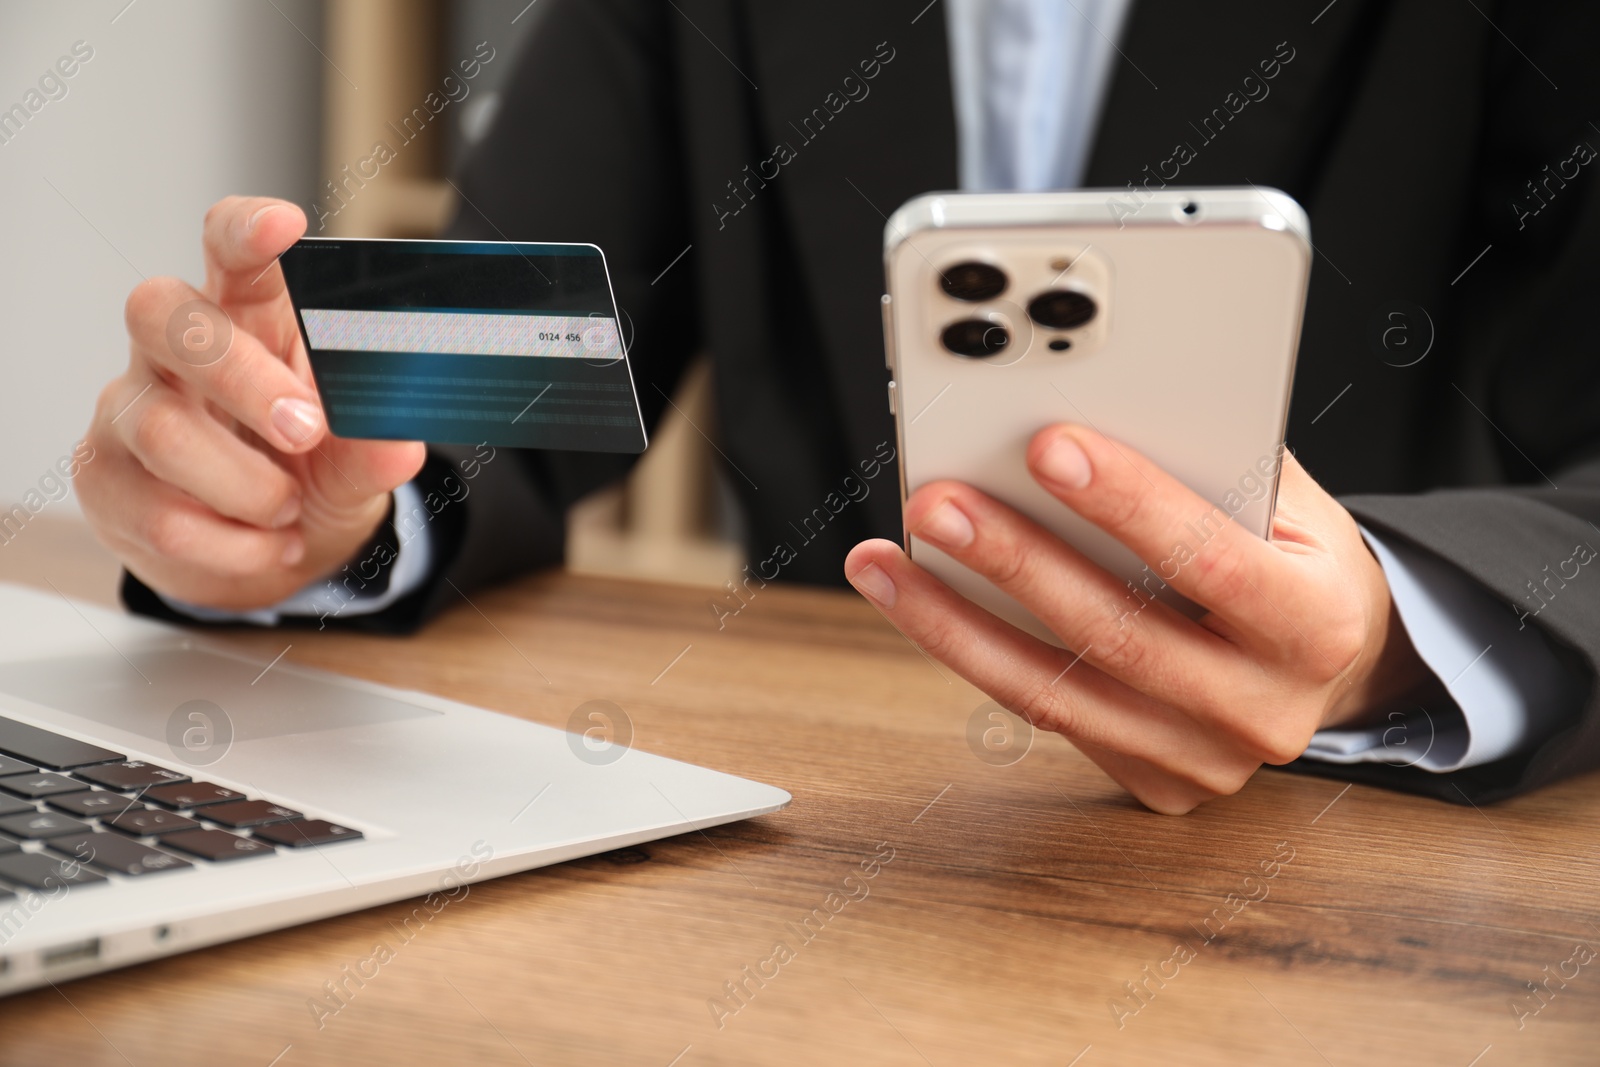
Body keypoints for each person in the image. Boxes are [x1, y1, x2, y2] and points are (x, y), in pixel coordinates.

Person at [78, 0, 1600, 813]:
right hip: (832, 824)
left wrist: (1392, 635)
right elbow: (516, 348)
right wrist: (319, 482)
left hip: (1347, 850)